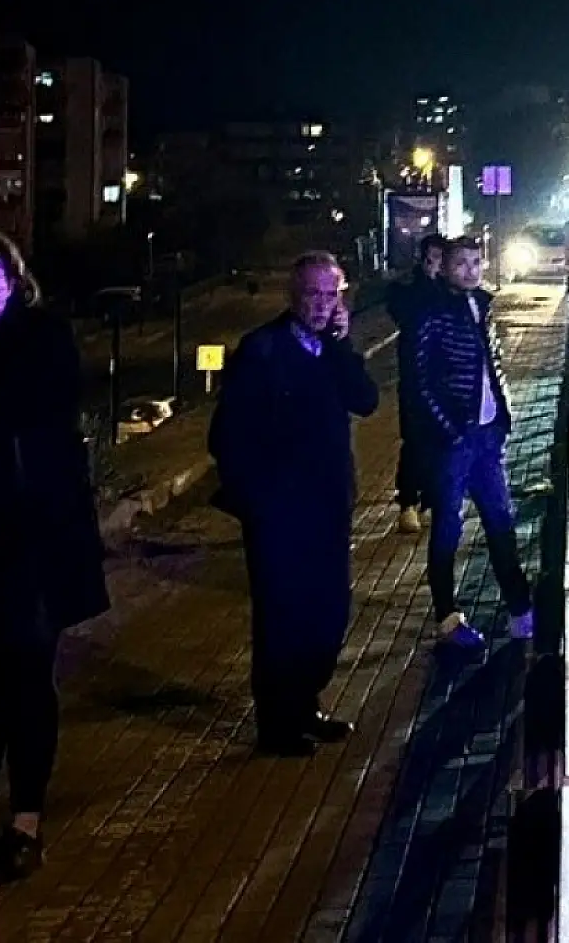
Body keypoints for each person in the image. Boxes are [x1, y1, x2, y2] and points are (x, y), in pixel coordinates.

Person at [208, 251, 380, 757]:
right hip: (279, 513)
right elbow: (226, 436)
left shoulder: (332, 349)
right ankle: (277, 724)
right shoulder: (262, 350)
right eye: (314, 294)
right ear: (293, 295)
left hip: (328, 504)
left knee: (327, 613)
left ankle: (306, 704)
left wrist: (344, 345)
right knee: (282, 616)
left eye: (332, 295)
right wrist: (257, 501)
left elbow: (366, 400)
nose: (323, 305)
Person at [0, 224, 110, 883]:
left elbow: (46, 422)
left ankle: (27, 817)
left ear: (14, 282)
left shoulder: (42, 342)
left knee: (26, 683)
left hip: (30, 546)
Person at [413, 236, 534, 648]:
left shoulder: (482, 304)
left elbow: (491, 363)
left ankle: (521, 608)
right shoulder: (432, 312)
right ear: (444, 268)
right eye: (460, 263)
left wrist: (501, 416)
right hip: (455, 441)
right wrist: (450, 429)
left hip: (487, 437)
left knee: (501, 519)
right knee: (448, 528)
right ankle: (447, 618)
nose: (470, 270)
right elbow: (421, 381)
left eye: (475, 261)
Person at [387, 234, 446, 533]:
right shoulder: (405, 289)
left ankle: (433, 500)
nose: (437, 264)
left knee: (442, 441)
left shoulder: (451, 290)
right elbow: (406, 316)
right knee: (415, 441)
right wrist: (428, 280)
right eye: (433, 258)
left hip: (446, 381)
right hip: (414, 379)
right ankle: (408, 502)